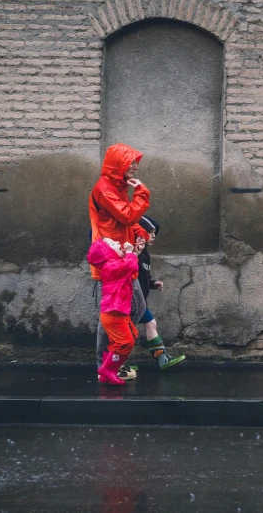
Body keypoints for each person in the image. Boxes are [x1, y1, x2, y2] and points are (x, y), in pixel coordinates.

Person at [89, 143, 150, 380]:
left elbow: (124, 219)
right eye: (130, 162)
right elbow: (127, 214)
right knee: (115, 315)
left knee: (129, 311)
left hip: (123, 257)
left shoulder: (117, 186)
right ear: (118, 165)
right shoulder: (104, 188)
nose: (135, 166)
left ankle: (112, 360)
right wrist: (143, 193)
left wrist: (140, 234)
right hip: (111, 260)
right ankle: (105, 365)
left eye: (135, 161)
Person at [86, 238, 142, 385]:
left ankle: (107, 371)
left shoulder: (116, 264)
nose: (118, 242)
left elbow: (133, 267)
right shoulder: (110, 266)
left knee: (122, 341)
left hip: (117, 312)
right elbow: (130, 266)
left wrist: (134, 253)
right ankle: (108, 369)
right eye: (112, 244)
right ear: (107, 254)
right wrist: (130, 253)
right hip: (112, 313)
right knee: (126, 342)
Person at [135, 215, 186, 369]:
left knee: (150, 324)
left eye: (154, 232)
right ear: (141, 233)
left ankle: (162, 359)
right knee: (125, 333)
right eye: (150, 232)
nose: (154, 236)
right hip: (131, 300)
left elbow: (143, 277)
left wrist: (152, 283)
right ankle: (114, 364)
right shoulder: (134, 253)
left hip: (140, 300)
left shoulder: (145, 255)